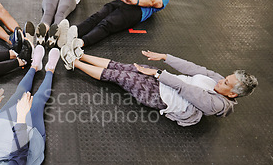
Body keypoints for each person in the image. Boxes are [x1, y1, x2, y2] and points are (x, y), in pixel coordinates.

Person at [60, 47, 258, 126]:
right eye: (226, 76)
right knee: (125, 67)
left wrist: (157, 74)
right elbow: (194, 68)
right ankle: (80, 54)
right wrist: (165, 57)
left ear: (232, 94)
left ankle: (73, 62)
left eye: (226, 82)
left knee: (119, 76)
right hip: (166, 80)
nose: (221, 79)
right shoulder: (217, 80)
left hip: (161, 96)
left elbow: (185, 90)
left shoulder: (216, 105)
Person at [59, 0, 173, 48]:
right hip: (122, 1)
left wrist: (136, 2)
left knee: (107, 24)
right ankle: (72, 33)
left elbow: (153, 2)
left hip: (136, 10)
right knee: (97, 16)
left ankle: (80, 44)